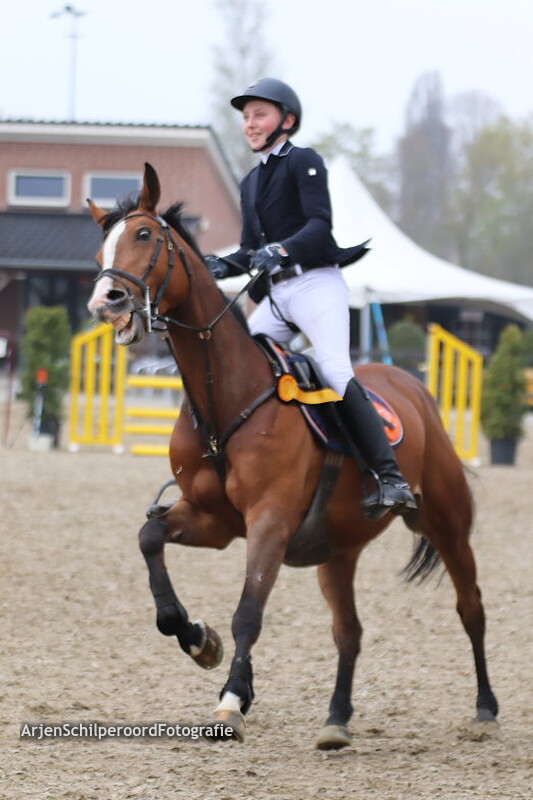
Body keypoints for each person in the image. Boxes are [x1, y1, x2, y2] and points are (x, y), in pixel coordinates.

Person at [205, 77, 416, 520]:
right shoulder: (249, 182)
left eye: (258, 114)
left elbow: (319, 225)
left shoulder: (304, 161)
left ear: (287, 120)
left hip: (316, 282)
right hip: (279, 294)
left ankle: (389, 476)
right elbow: (249, 247)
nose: (249, 123)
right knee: (241, 362)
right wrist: (224, 265)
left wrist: (279, 250)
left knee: (334, 368)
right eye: (245, 117)